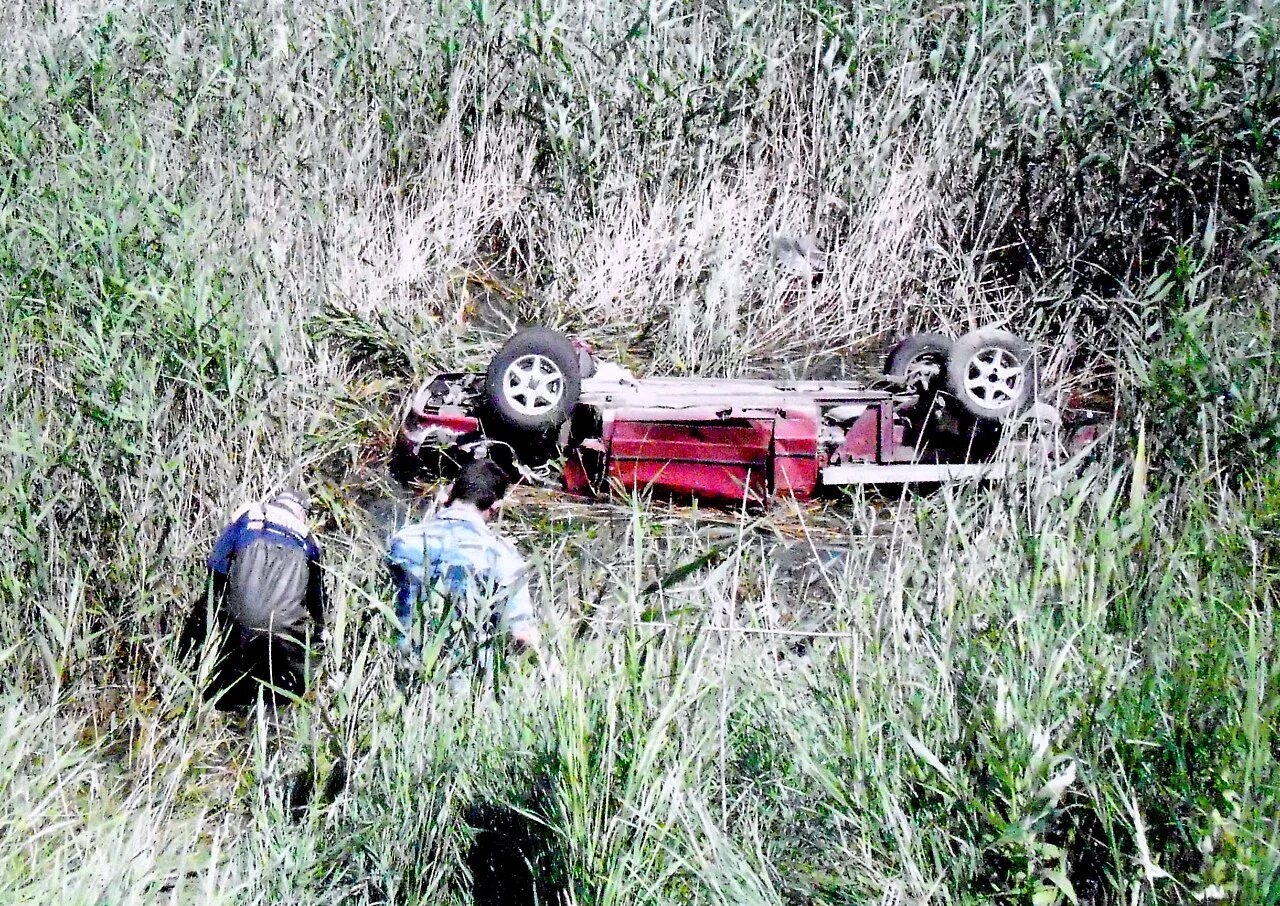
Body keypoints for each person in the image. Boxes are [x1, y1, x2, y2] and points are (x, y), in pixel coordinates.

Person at [386, 459, 542, 687]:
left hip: (403, 676)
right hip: (468, 686)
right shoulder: (500, 554)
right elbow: (521, 634)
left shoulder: (404, 541)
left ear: (449, 493)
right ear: (495, 508)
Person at [181, 490, 326, 711]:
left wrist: (212, 611)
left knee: (228, 682)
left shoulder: (249, 517)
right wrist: (319, 638)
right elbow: (317, 603)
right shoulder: (309, 541)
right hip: (285, 630)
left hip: (240, 620)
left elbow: (216, 565)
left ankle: (192, 685)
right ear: (301, 512)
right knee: (292, 693)